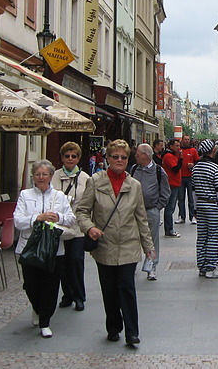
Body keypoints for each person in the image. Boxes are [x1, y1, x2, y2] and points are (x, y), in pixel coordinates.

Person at [75, 139, 155, 346]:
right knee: (109, 289)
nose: (119, 160)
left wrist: (149, 247)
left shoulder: (134, 185)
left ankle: (132, 331)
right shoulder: (95, 181)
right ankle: (113, 326)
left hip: (128, 243)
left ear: (128, 160)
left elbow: (141, 218)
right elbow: (82, 211)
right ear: (108, 158)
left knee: (127, 288)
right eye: (115, 157)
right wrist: (89, 227)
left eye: (123, 157)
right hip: (105, 244)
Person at [14, 159, 75, 338]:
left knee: (50, 285)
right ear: (33, 176)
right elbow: (18, 221)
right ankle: (37, 307)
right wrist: (37, 217)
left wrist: (58, 217)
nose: (41, 177)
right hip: (29, 247)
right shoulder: (25, 195)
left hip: (53, 249)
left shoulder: (59, 196)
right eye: (37, 174)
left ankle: (45, 321)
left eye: (44, 174)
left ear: (50, 176)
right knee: (31, 285)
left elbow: (71, 219)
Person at [50, 142, 91, 312]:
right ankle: (67, 294)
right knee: (62, 262)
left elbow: (90, 203)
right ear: (61, 158)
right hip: (59, 226)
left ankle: (79, 297)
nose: (70, 159)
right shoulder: (54, 176)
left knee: (76, 261)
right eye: (67, 156)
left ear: (78, 158)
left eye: (74, 156)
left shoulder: (85, 179)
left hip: (78, 227)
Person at [130, 143, 170, 281]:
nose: (135, 155)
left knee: (152, 240)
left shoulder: (158, 171)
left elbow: (165, 191)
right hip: (134, 211)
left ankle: (152, 267)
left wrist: (158, 207)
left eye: (138, 153)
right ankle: (132, 264)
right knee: (133, 238)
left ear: (145, 155)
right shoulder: (134, 168)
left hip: (151, 210)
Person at [193, 139, 218, 278]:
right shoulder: (215, 169)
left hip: (201, 205)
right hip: (212, 206)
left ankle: (202, 266)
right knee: (214, 237)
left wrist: (195, 209)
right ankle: (211, 268)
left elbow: (194, 191)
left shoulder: (196, 167)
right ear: (213, 151)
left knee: (202, 236)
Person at [161, 139, 183, 238]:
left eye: (179, 146)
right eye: (176, 146)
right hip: (171, 184)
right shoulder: (169, 156)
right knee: (170, 208)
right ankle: (169, 230)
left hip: (175, 183)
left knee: (171, 207)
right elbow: (175, 168)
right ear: (171, 146)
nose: (178, 148)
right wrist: (181, 159)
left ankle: (169, 229)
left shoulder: (172, 155)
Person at [179, 135, 199, 224]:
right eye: (185, 139)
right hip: (180, 177)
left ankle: (193, 216)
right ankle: (182, 216)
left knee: (191, 198)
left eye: (188, 139)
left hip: (191, 177)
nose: (187, 141)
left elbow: (197, 162)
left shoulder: (193, 150)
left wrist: (193, 165)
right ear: (182, 140)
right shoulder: (179, 151)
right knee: (181, 198)